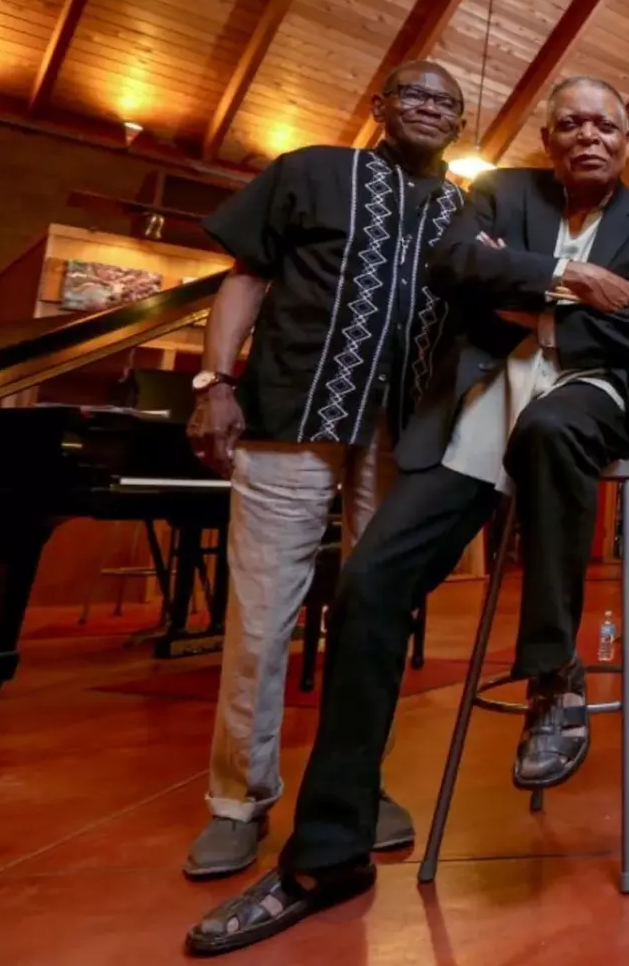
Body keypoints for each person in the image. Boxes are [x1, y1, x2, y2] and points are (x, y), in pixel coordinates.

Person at [183, 75, 629, 956]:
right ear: (547, 135)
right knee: (372, 585)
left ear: (628, 136)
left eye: (603, 123)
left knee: (550, 428)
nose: (586, 135)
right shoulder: (497, 192)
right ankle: (328, 852)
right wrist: (576, 281)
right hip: (476, 412)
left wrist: (529, 304)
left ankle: (554, 678)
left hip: (591, 404)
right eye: (568, 121)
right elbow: (458, 265)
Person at [181, 59, 468, 880]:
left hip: (402, 439)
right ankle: (239, 800)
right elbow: (244, 278)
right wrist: (215, 383)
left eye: (446, 104)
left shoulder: (465, 209)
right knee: (263, 618)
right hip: (289, 421)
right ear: (379, 106)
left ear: (459, 123)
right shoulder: (312, 170)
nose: (429, 110)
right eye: (413, 95)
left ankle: (354, 786)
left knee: (375, 620)